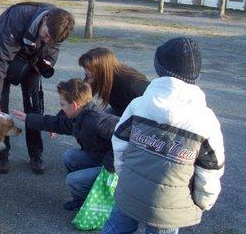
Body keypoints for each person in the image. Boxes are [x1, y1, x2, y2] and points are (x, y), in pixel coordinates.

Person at [103, 37, 225, 234]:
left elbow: (119, 143)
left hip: (130, 191)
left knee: (116, 228)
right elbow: (210, 170)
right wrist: (204, 202)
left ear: (160, 69)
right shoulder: (206, 120)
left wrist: (124, 176)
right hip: (169, 206)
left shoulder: (138, 105)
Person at [0, 2, 75, 174]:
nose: (47, 40)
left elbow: (53, 50)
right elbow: (0, 60)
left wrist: (49, 62)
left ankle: (36, 153)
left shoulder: (56, 29)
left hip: (32, 61)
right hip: (4, 59)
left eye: (51, 40)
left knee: (34, 106)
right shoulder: (17, 17)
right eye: (46, 35)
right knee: (0, 107)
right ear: (44, 20)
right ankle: (1, 153)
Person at [13, 78, 119, 210]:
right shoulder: (79, 116)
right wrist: (29, 118)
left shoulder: (97, 120)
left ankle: (93, 201)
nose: (61, 108)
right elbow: (58, 123)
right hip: (100, 157)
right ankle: (85, 192)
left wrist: (110, 165)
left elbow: (126, 136)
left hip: (115, 167)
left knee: (73, 180)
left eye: (62, 104)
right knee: (70, 156)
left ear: (74, 105)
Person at [79, 47, 149, 116]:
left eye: (89, 69)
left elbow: (146, 110)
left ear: (102, 69)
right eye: (85, 68)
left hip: (141, 115)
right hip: (121, 109)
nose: (86, 72)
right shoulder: (96, 76)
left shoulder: (130, 84)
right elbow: (80, 96)